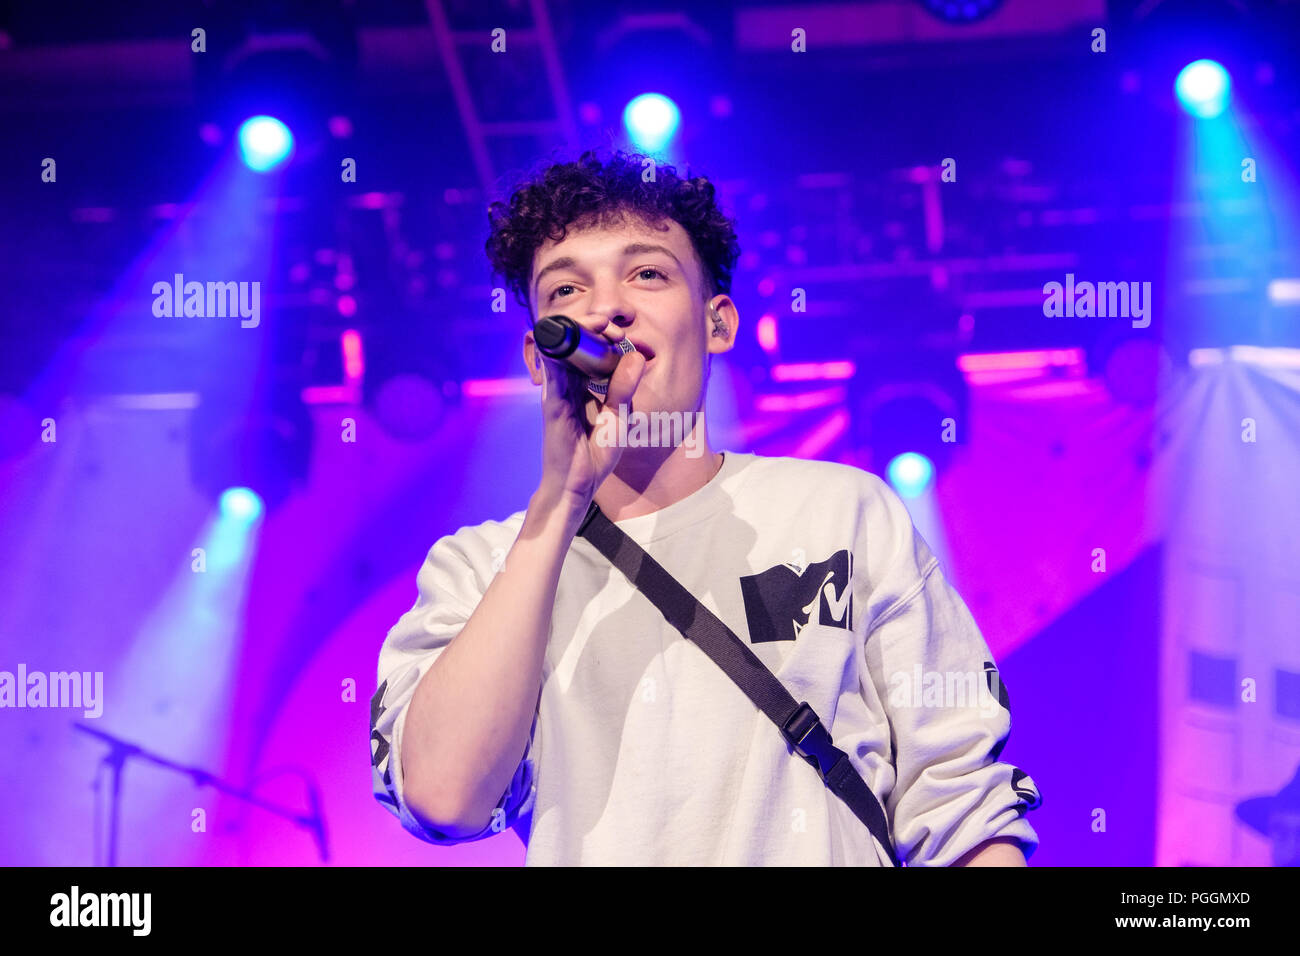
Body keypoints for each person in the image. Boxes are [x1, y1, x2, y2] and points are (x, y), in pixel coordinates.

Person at [370, 148, 1042, 865]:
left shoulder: (841, 511)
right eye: (565, 291)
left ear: (718, 323)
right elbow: (442, 798)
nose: (606, 308)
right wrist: (558, 505)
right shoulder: (479, 569)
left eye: (648, 273)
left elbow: (964, 803)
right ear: (540, 357)